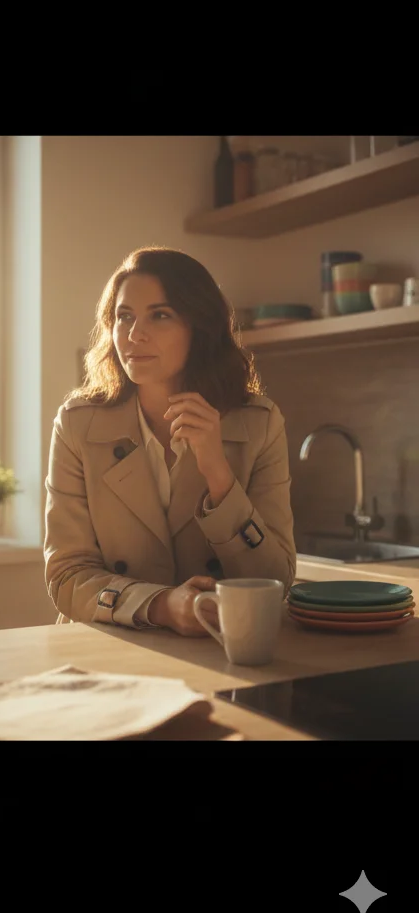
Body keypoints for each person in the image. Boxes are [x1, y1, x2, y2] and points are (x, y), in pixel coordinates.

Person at [44, 246, 296, 637]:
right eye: (123, 317)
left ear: (201, 327)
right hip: (105, 649)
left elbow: (275, 582)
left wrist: (217, 471)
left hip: (222, 647)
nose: (134, 334)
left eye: (159, 315)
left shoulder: (258, 424)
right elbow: (66, 576)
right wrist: (161, 606)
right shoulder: (78, 425)